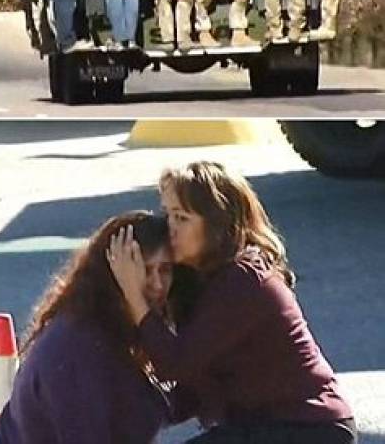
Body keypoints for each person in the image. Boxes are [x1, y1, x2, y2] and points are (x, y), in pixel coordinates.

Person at [108, 162, 355, 442]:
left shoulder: (245, 277)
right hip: (265, 424)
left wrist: (135, 296)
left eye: (181, 218)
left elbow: (177, 363)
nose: (170, 228)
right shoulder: (201, 277)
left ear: (215, 224)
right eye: (168, 215)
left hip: (309, 426)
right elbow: (194, 384)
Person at [0, 212, 177, 444]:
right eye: (145, 271)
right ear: (115, 274)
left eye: (165, 270)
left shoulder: (113, 329)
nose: (158, 285)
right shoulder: (79, 347)